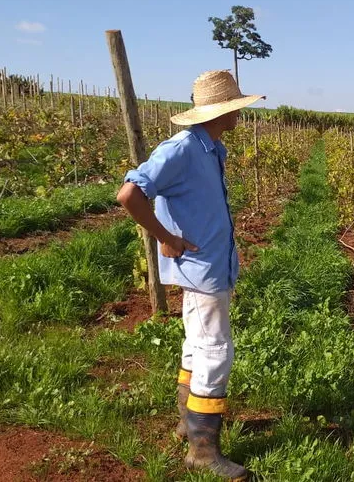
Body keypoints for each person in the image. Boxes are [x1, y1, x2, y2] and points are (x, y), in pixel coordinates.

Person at [117, 70, 262, 481]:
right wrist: (164, 236)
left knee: (197, 343)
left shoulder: (210, 147)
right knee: (216, 351)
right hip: (201, 267)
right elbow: (129, 193)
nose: (240, 114)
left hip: (211, 262)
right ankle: (203, 452)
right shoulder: (181, 148)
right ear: (223, 111)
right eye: (236, 107)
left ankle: (187, 424)